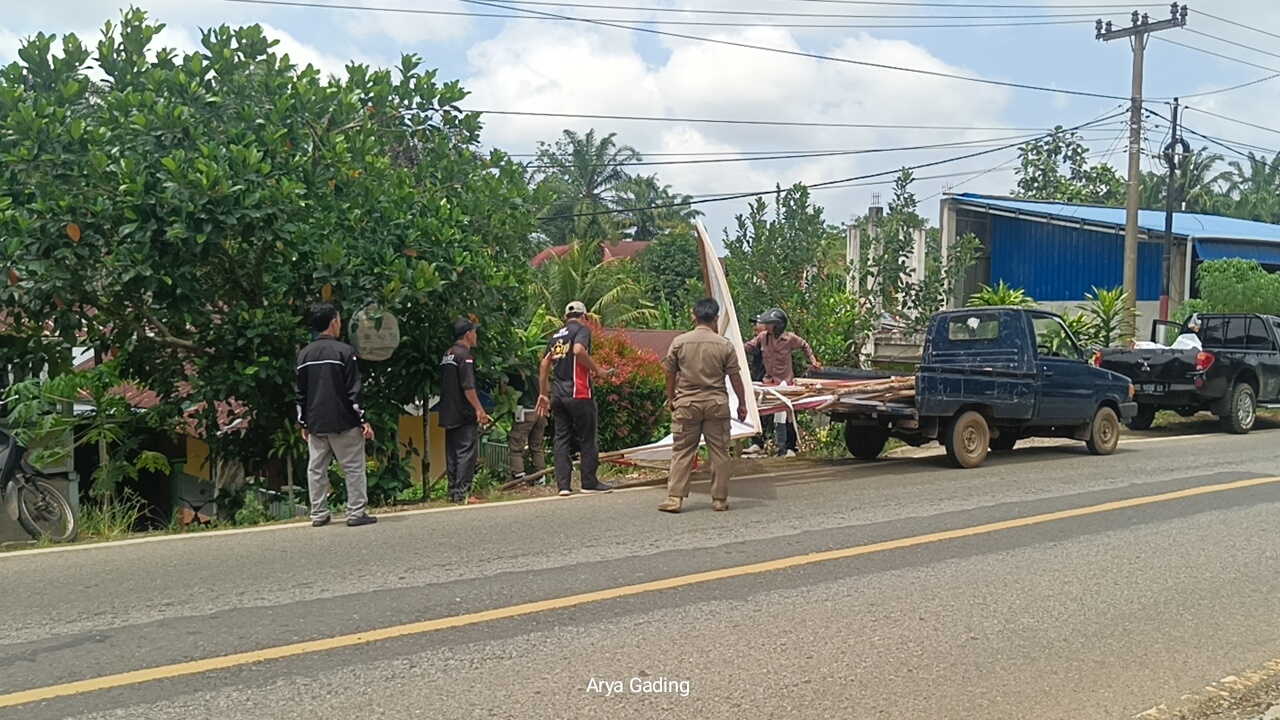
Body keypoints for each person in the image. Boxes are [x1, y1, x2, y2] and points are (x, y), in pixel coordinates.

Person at [659, 298, 748, 514]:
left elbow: (670, 372)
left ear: (693, 315)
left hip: (687, 403)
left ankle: (675, 498)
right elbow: (735, 377)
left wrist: (671, 398)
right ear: (716, 318)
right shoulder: (724, 344)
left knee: (682, 450)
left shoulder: (680, 342)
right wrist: (742, 404)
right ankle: (719, 499)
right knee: (719, 451)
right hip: (716, 403)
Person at [295, 302, 377, 528]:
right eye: (339, 320)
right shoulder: (344, 352)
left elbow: (300, 393)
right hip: (343, 422)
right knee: (353, 468)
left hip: (315, 423)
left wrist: (303, 422)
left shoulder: (304, 355)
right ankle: (356, 512)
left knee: (316, 469)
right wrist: (362, 419)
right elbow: (353, 390)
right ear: (334, 322)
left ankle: (319, 513)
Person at [535, 301, 614, 497]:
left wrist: (543, 394)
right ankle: (589, 482)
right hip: (579, 393)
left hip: (558, 396)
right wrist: (598, 370)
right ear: (584, 316)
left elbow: (544, 364)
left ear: (564, 318)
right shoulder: (582, 330)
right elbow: (579, 350)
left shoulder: (555, 336)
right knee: (587, 438)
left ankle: (563, 486)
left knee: (561, 438)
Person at [744, 308, 822, 457]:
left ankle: (790, 447)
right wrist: (732, 346)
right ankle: (758, 444)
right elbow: (749, 347)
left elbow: (805, 345)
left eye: (769, 324)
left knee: (788, 415)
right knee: (760, 412)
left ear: (778, 325)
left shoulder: (790, 339)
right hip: (768, 382)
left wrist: (813, 361)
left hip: (785, 383)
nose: (766, 327)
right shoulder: (762, 337)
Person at [439, 317, 491, 504]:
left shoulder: (448, 354)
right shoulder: (465, 356)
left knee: (452, 453)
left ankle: (453, 491)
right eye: (474, 332)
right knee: (466, 452)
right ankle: (462, 493)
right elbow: (468, 386)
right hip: (463, 411)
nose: (476, 335)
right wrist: (479, 409)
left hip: (448, 411)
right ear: (468, 334)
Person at [505, 362, 547, 485]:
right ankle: (540, 476)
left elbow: (504, 390)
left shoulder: (513, 371)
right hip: (540, 411)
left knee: (516, 446)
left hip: (525, 411)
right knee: (536, 446)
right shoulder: (535, 371)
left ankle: (519, 477)